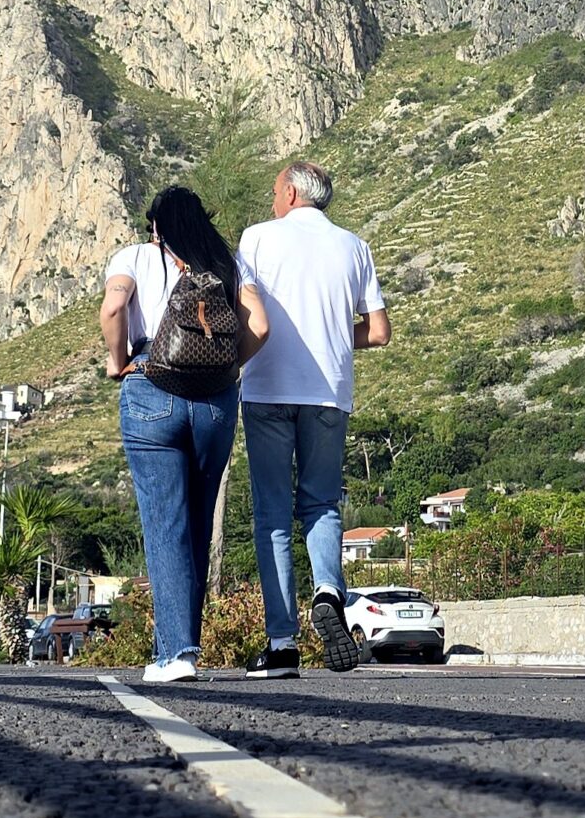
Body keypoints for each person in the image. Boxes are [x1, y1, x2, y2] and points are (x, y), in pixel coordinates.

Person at [101, 185, 269, 684]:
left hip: (151, 385)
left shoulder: (135, 256)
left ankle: (176, 654)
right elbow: (260, 326)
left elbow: (113, 309)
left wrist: (117, 361)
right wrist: (226, 368)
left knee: (164, 524)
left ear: (156, 226)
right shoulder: (227, 262)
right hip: (215, 401)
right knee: (196, 525)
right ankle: (179, 649)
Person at [236, 162, 390, 678]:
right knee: (321, 503)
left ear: (291, 192)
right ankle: (327, 591)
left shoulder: (257, 238)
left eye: (274, 190)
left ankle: (282, 644)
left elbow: (246, 313)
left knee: (273, 515)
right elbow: (379, 331)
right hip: (328, 393)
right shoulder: (354, 246)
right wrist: (333, 338)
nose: (272, 199)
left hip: (267, 389)